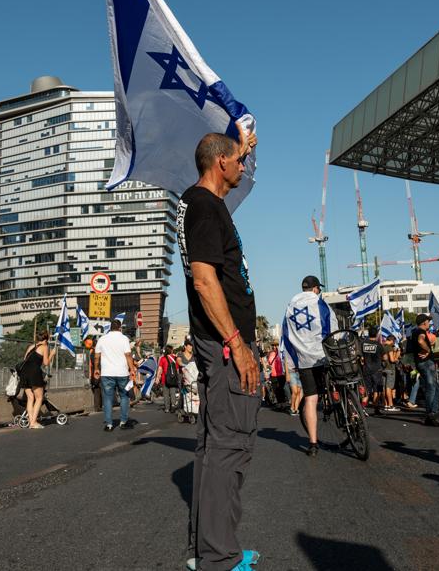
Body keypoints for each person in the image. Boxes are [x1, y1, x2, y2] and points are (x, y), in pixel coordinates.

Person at [178, 129, 260, 571]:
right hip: (226, 347)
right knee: (231, 447)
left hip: (217, 344)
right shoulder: (205, 208)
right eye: (238, 161)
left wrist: (244, 144)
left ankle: (213, 550)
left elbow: (233, 159)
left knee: (215, 449)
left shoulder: (200, 203)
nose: (243, 167)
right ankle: (219, 559)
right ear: (219, 164)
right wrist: (237, 345)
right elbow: (205, 280)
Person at [281, 275, 336, 457]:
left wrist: (292, 362)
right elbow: (333, 328)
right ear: (315, 289)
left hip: (303, 361)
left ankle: (313, 443)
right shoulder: (320, 304)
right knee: (339, 383)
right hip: (322, 357)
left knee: (311, 399)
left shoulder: (290, 306)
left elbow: (286, 336)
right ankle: (350, 413)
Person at [93, 319, 136, 431]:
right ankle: (123, 422)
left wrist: (96, 369)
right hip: (122, 373)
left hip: (106, 373)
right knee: (124, 396)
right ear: (120, 328)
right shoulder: (124, 339)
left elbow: (96, 356)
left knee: (107, 398)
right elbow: (128, 355)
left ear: (110, 328)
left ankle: (109, 424)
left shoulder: (102, 339)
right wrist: (132, 370)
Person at [407, 315, 439, 426]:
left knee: (436, 388)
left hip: (423, 363)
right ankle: (431, 414)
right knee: (431, 387)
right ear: (424, 322)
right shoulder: (420, 331)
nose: (429, 323)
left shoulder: (416, 331)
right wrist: (427, 350)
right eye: (428, 321)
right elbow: (421, 341)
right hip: (426, 363)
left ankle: (432, 413)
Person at [17, 330, 54, 429]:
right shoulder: (44, 347)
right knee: (39, 398)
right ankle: (33, 422)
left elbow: (25, 359)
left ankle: (30, 422)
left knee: (30, 398)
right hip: (34, 372)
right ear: (46, 339)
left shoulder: (31, 346)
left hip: (24, 373)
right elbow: (46, 363)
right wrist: (52, 354)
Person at [360, 328, 384, 411]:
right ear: (376, 334)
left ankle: (362, 408)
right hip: (377, 370)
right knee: (377, 390)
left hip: (366, 370)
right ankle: (376, 408)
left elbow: (360, 356)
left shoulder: (363, 344)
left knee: (367, 390)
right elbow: (384, 357)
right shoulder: (379, 345)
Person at [158, 345, 181, 413]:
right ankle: (173, 405)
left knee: (165, 394)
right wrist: (177, 378)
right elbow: (177, 369)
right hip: (173, 378)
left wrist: (157, 377)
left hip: (164, 378)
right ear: (171, 350)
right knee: (172, 392)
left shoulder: (162, 358)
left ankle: (167, 408)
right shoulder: (174, 358)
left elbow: (160, 369)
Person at [266, 343, 286, 408]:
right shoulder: (270, 354)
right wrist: (267, 373)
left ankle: (282, 402)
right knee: (274, 389)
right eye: (273, 345)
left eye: (276, 345)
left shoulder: (281, 353)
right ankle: (277, 403)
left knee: (281, 388)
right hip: (273, 375)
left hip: (281, 374)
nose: (274, 347)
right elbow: (268, 364)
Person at [382, 338, 400, 412]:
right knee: (388, 387)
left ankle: (385, 404)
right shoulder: (389, 347)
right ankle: (390, 405)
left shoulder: (382, 347)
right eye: (394, 342)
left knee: (384, 387)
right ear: (392, 340)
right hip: (390, 369)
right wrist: (397, 354)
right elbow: (392, 360)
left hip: (383, 369)